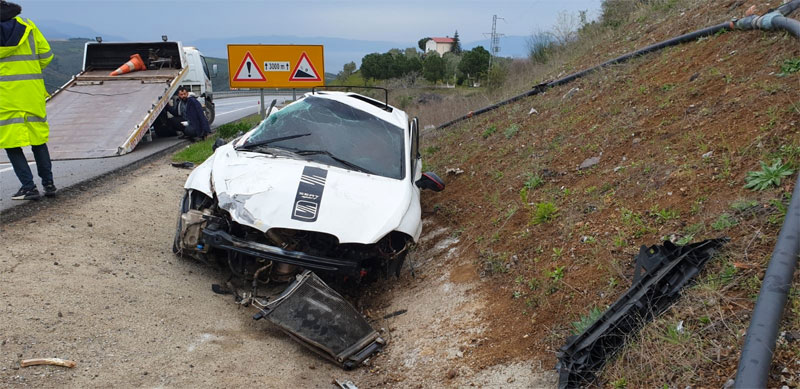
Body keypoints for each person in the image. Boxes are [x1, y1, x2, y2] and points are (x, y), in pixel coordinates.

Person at [0, 1, 55, 200]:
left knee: (12, 144)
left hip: (5, 97)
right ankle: (49, 184)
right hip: (31, 93)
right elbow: (47, 56)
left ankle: (28, 187)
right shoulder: (28, 27)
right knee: (38, 140)